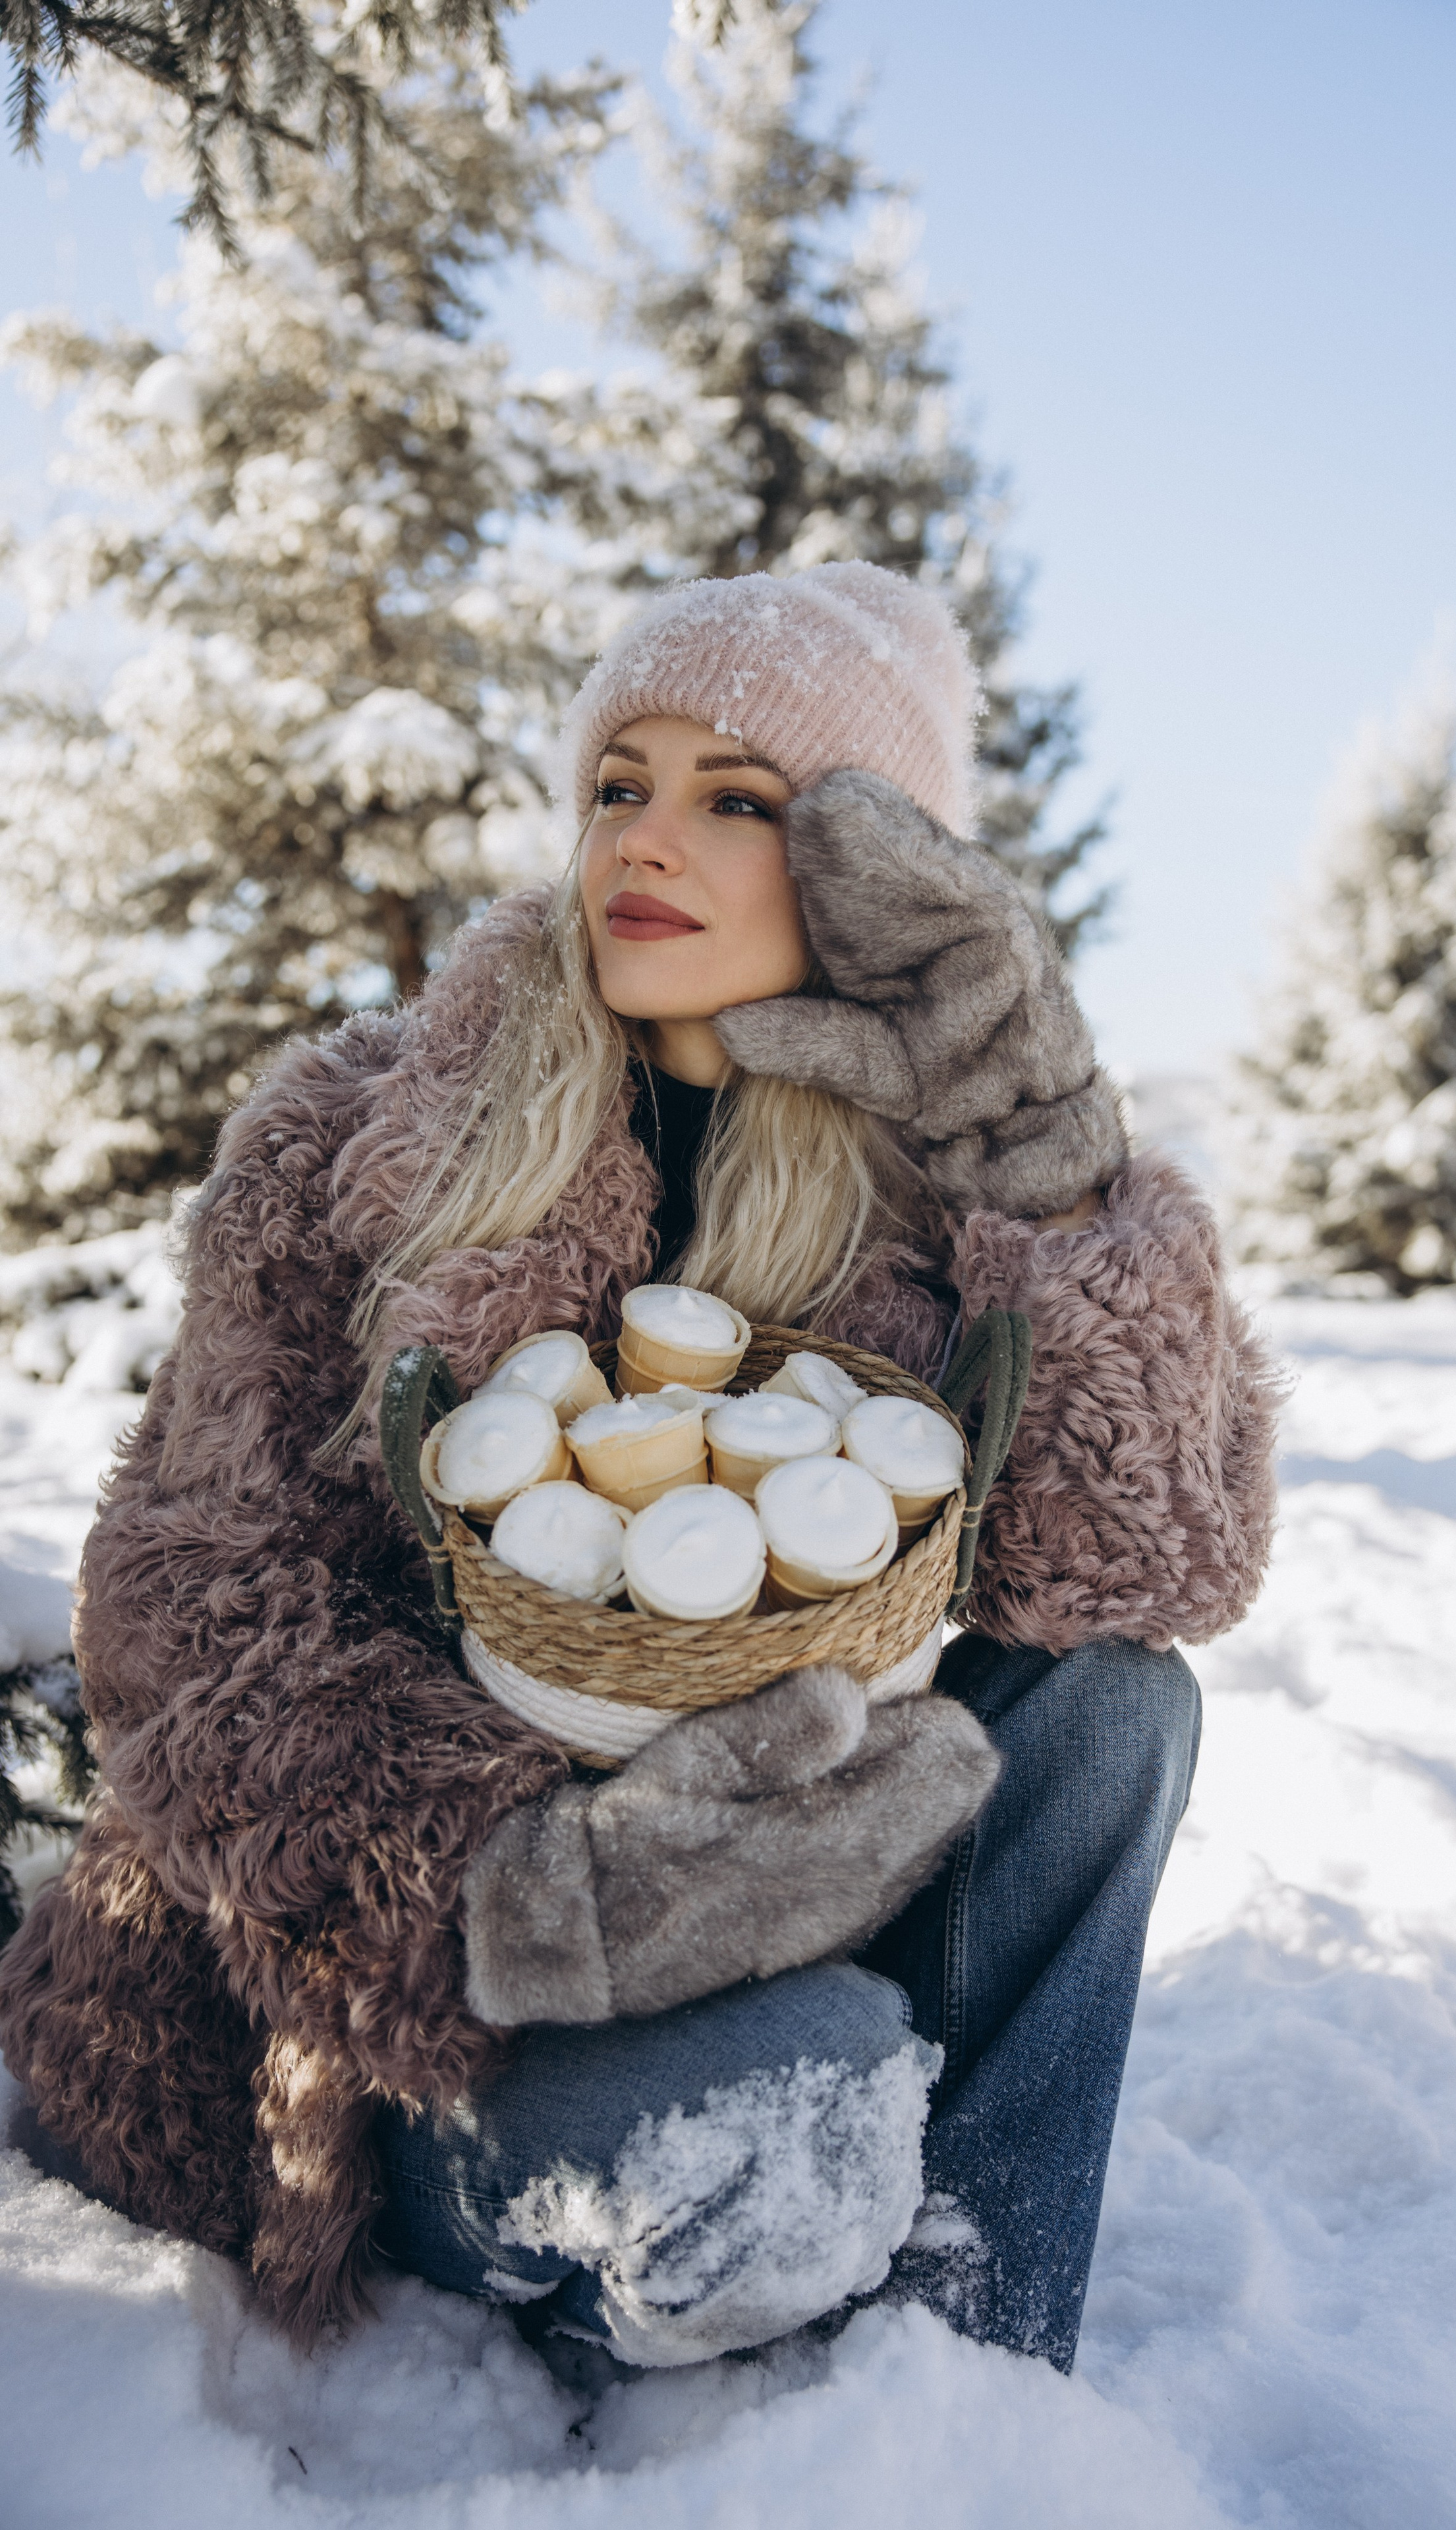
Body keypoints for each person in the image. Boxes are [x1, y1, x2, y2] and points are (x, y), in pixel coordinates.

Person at [0, 563, 1279, 2376]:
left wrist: (1046, 1163)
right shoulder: (356, 1143)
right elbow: (193, 1612)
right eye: (623, 782)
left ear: (874, 872)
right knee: (788, 2102)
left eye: (736, 799)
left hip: (799, 1897)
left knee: (1119, 1709)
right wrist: (528, 1895)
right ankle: (743, 2247)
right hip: (427, 2028)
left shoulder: (924, 1203)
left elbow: (1143, 1565)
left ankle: (964, 2389)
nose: (646, 838)